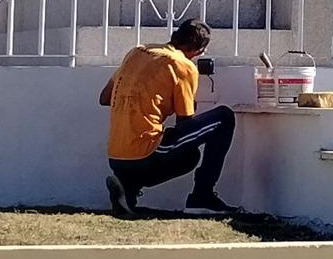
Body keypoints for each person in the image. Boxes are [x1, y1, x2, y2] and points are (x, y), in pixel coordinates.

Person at [101, 20, 238, 218]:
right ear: (199, 50)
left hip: (116, 156)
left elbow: (105, 98)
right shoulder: (182, 65)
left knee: (189, 157)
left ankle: (127, 189)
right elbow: (185, 123)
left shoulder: (137, 52)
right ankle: (202, 196)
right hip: (146, 152)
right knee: (223, 119)